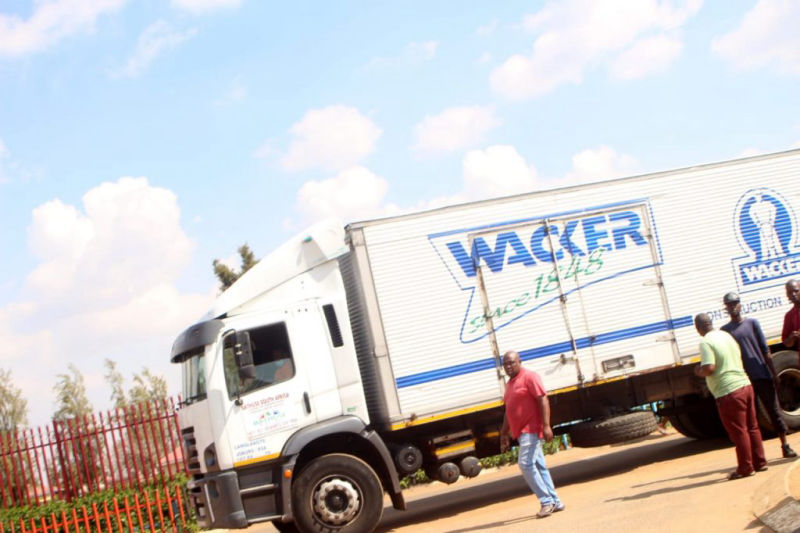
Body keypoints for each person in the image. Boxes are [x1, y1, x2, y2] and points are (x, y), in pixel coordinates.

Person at [722, 292, 797, 458]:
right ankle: (756, 455)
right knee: (750, 417)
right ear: (725, 308)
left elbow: (765, 350)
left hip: (761, 374)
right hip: (742, 379)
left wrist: (773, 373)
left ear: (740, 304)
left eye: (734, 303)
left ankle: (785, 445)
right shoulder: (725, 331)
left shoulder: (752, 323)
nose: (732, 307)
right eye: (729, 304)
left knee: (773, 411)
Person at [694, 313, 767, 479]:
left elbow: (709, 368)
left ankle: (746, 468)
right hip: (745, 384)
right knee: (752, 427)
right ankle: (760, 462)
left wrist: (698, 371)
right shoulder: (726, 335)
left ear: (698, 328)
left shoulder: (706, 342)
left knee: (739, 431)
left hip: (728, 391)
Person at [500, 350, 564, 518]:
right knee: (539, 467)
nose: (508, 366)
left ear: (519, 362)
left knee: (525, 464)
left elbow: (543, 400)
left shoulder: (530, 377)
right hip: (521, 432)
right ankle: (555, 501)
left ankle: (546, 502)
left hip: (532, 429)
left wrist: (546, 426)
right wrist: (504, 433)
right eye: (505, 364)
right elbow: (509, 410)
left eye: (511, 362)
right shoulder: (510, 384)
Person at [782, 279, 800, 368]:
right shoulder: (789, 316)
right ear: (787, 296)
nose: (793, 294)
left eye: (796, 291)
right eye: (790, 292)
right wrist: (792, 337)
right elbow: (786, 343)